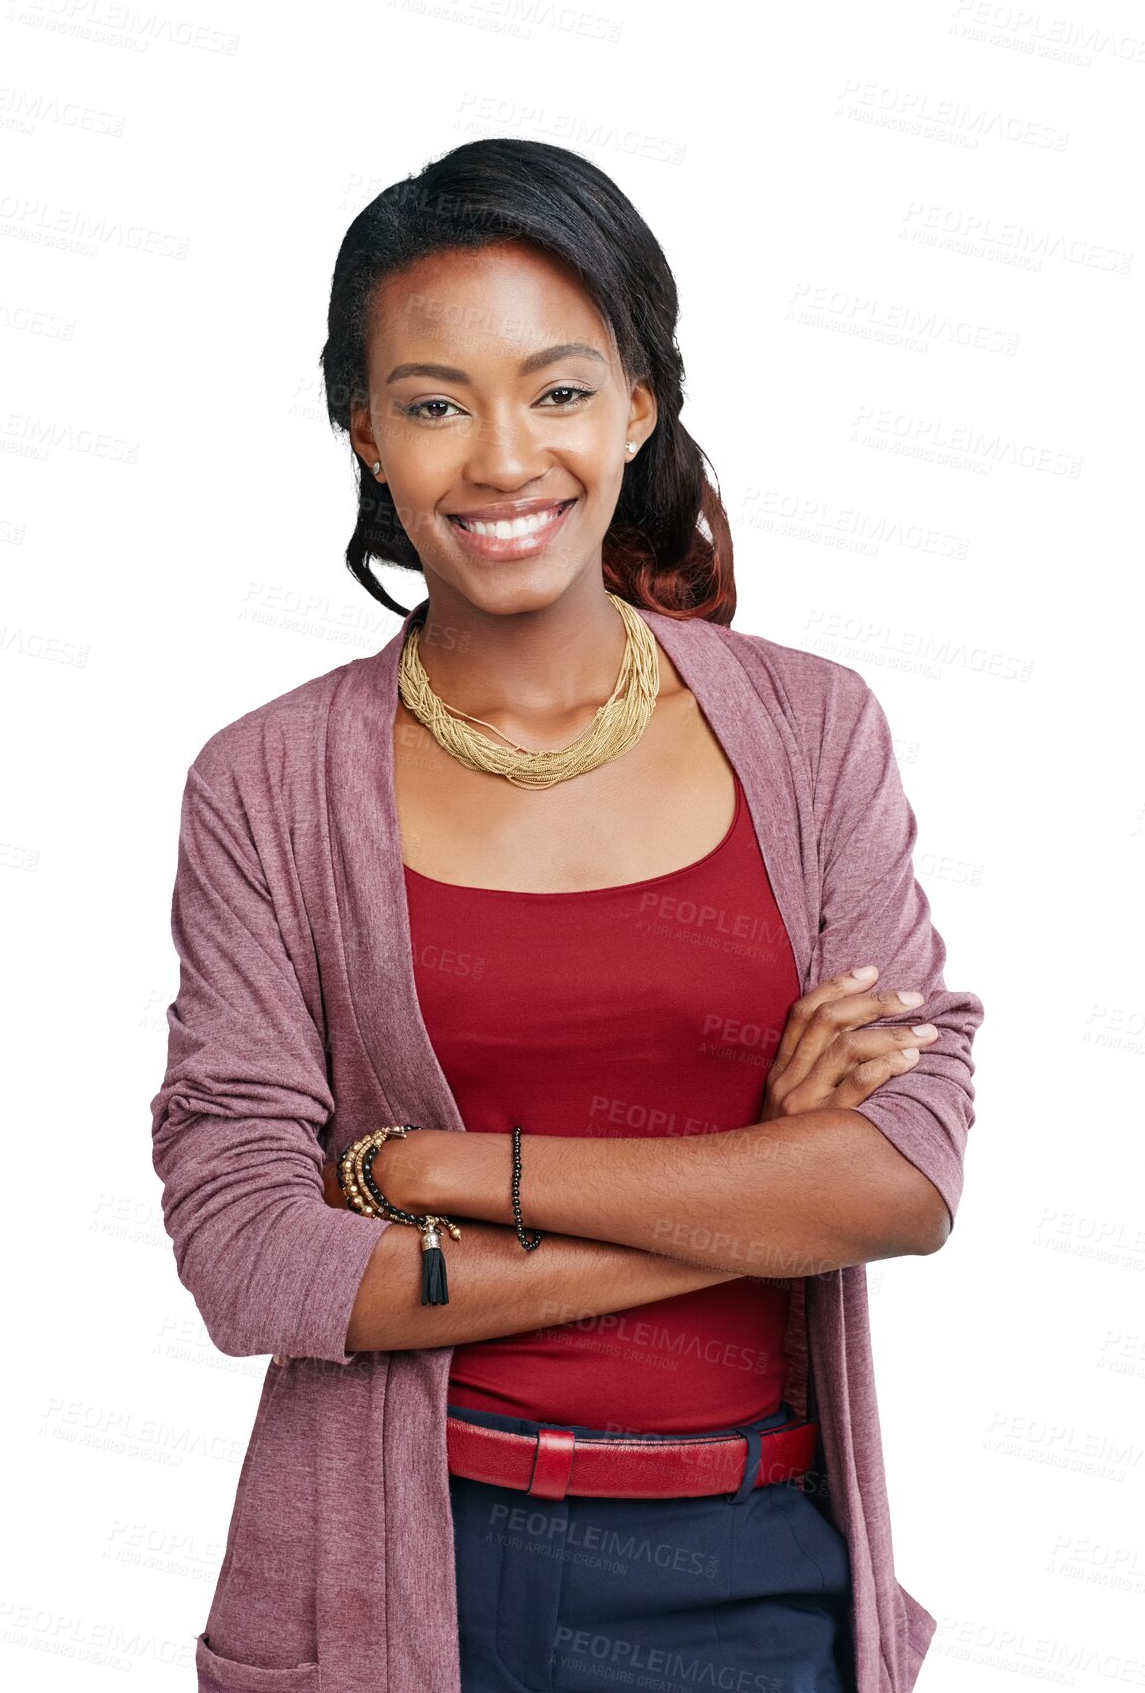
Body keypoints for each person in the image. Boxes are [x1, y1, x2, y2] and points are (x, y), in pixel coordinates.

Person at [151, 139, 984, 1693]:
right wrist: (747, 1203)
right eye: (432, 402)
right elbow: (254, 1259)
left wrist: (441, 1176)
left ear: (638, 406)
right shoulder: (266, 786)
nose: (501, 459)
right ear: (365, 434)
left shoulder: (813, 737)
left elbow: (905, 1180)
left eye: (555, 389)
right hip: (403, 1575)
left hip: (755, 1578)